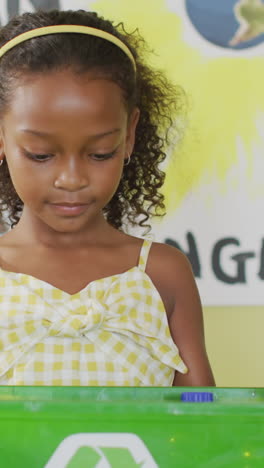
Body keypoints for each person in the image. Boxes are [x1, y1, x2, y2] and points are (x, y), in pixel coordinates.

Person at [0, 9, 215, 387]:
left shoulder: (161, 273)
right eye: (40, 154)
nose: (71, 179)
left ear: (129, 134)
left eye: (100, 153)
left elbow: (200, 410)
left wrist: (201, 413)